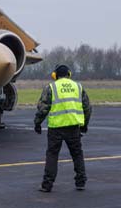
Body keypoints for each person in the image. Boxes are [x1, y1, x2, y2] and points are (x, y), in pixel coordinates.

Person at [34, 64, 92, 192]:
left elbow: (43, 108)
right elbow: (87, 108)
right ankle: (80, 182)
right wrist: (84, 125)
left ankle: (47, 185)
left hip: (56, 128)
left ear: (55, 75)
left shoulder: (51, 87)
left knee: (52, 155)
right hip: (73, 127)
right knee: (77, 154)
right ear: (69, 74)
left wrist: (37, 123)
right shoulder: (78, 87)